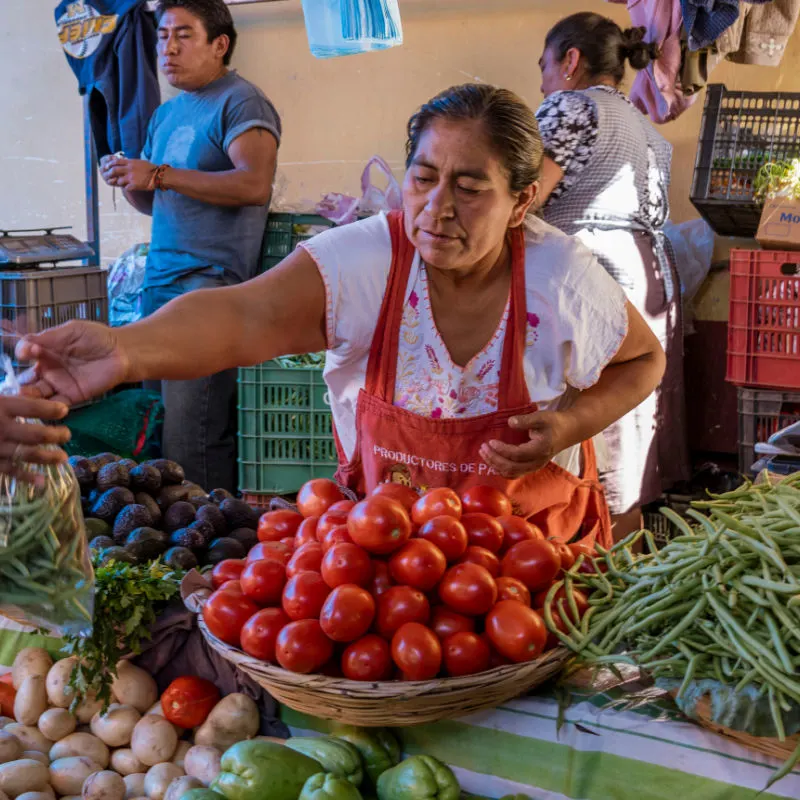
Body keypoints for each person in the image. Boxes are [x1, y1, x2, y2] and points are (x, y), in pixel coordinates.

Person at [18, 84, 665, 547]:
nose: (437, 208)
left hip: (530, 556)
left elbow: (644, 360)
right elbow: (245, 316)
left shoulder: (559, 278)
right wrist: (127, 349)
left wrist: (571, 424)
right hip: (393, 553)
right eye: (423, 177)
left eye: (469, 189)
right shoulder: (369, 260)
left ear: (522, 201)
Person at [99, 0, 282, 493]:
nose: (168, 49)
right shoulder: (167, 113)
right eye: (161, 36)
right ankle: (173, 548)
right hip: (160, 284)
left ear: (219, 44)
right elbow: (157, 205)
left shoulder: (242, 102)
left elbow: (253, 185)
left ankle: (212, 551)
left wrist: (158, 173)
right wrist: (132, 179)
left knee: (191, 435)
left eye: (183, 35)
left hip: (209, 287)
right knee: (157, 427)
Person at [535, 12, 689, 539]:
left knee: (585, 419)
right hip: (649, 275)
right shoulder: (646, 126)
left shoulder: (569, 107)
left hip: (591, 276)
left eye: (544, 67)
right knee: (631, 420)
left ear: (570, 61)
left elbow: (524, 197)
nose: (542, 83)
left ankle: (583, 564)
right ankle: (625, 565)